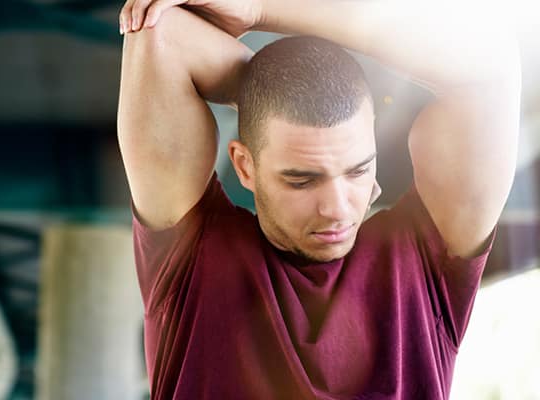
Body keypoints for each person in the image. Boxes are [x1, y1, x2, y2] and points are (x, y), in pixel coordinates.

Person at [116, 0, 520, 398]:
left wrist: (262, 9)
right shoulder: (192, 257)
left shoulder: (425, 261)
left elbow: (492, 59)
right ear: (245, 166)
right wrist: (268, 96)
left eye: (358, 170)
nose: (338, 209)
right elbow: (159, 32)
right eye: (302, 180)